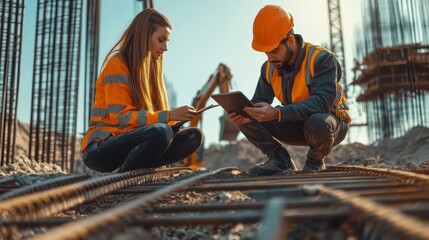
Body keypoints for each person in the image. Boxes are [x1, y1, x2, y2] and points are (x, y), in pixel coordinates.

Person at [227, 5, 350, 175]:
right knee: (247, 116)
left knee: (317, 121)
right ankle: (280, 160)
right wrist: (243, 115)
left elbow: (322, 103)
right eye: (266, 53)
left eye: (274, 51)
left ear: (290, 41)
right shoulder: (269, 69)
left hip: (328, 125)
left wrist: (277, 113)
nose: (270, 59)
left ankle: (315, 161)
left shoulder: (322, 59)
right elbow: (257, 104)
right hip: (295, 124)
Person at [81, 9, 203, 173]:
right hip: (100, 147)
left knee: (193, 136)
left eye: (166, 42)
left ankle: (135, 167)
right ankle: (123, 175)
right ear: (144, 36)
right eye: (161, 40)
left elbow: (149, 123)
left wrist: (176, 122)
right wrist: (170, 115)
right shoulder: (118, 63)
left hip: (133, 143)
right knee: (161, 132)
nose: (165, 48)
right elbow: (123, 117)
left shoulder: (150, 74)